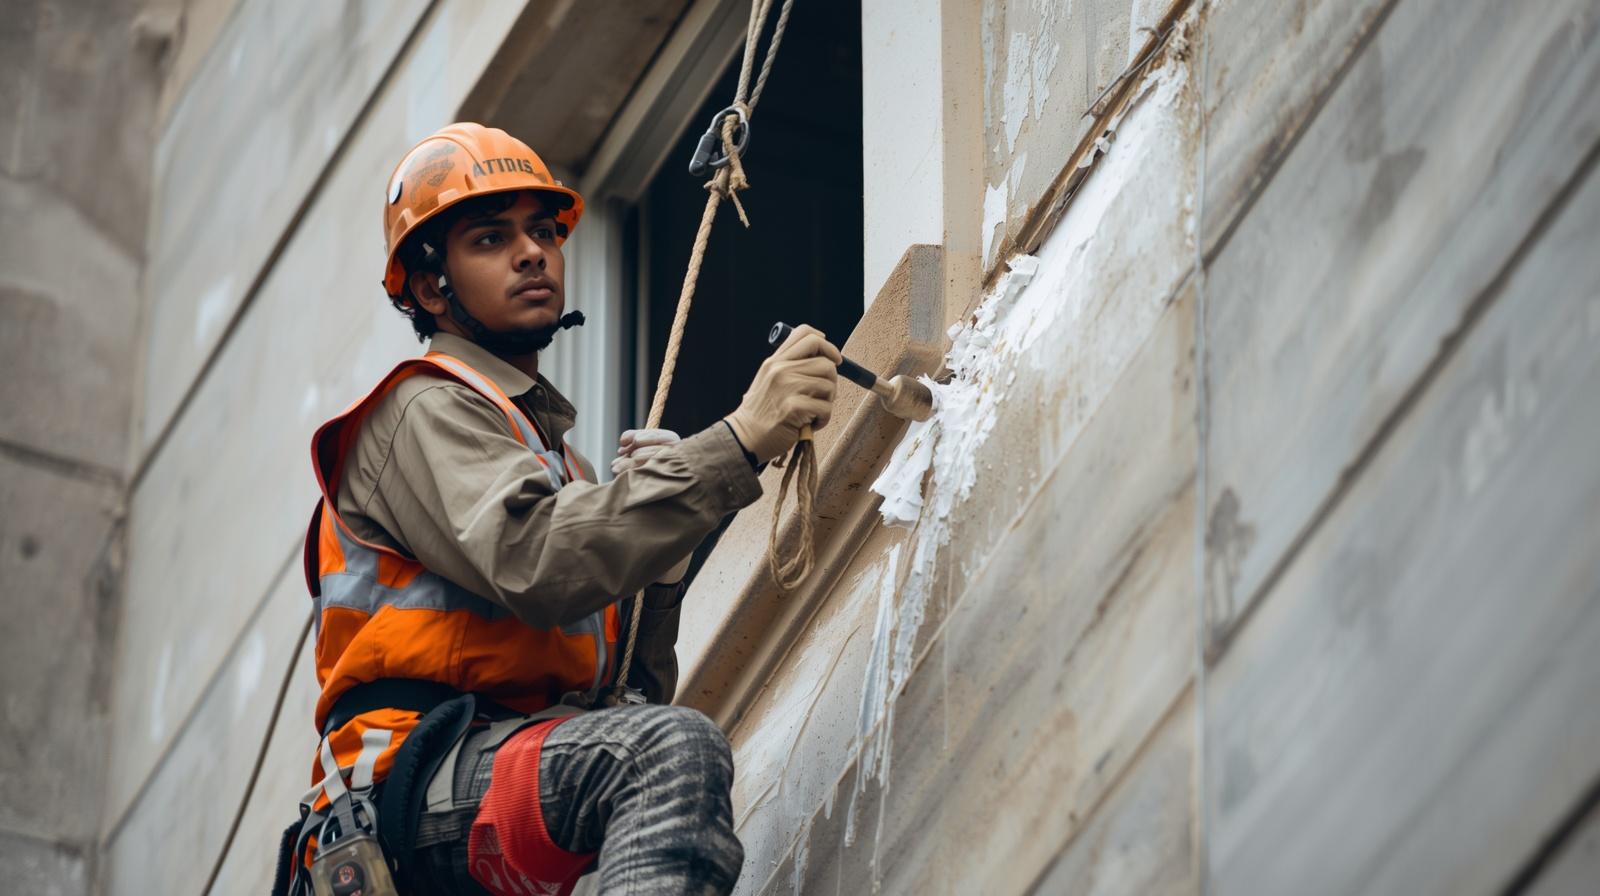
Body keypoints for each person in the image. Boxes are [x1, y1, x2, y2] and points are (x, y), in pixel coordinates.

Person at [274, 122, 840, 896]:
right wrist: (736, 444)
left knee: (648, 744)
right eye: (489, 238)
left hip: (495, 779)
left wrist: (662, 564)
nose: (532, 252)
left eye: (543, 231)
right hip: (410, 786)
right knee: (661, 754)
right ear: (433, 284)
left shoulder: (551, 464)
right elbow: (538, 561)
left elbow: (627, 700)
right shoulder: (420, 410)